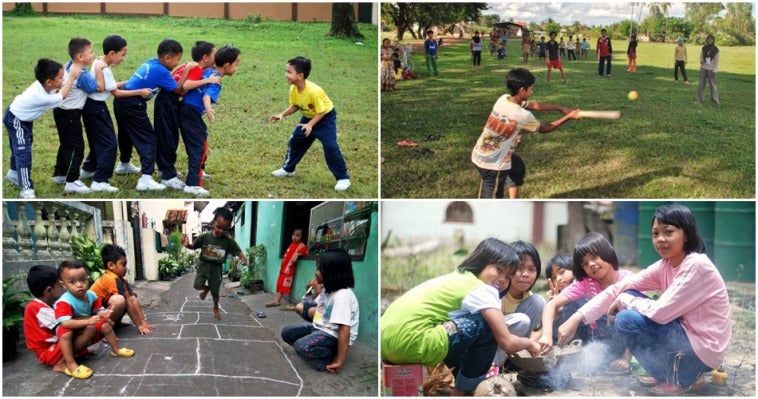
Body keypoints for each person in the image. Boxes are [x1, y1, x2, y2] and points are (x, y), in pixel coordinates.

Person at [557, 204, 731, 395]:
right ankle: (672, 374)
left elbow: (661, 312)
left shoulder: (696, 265)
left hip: (702, 350)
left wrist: (626, 299)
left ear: (687, 234)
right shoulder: (665, 265)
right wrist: (576, 318)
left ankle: (681, 378)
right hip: (687, 339)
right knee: (627, 299)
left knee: (626, 318)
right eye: (656, 233)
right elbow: (619, 288)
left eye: (669, 232)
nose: (661, 239)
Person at [381, 238, 540, 395]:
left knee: (464, 329)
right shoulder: (481, 289)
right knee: (487, 325)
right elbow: (507, 342)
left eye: (508, 276)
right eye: (499, 270)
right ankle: (465, 390)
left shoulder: (458, 278)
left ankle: (461, 380)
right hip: (410, 343)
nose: (503, 280)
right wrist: (530, 344)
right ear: (482, 262)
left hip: (385, 345)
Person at [471, 68, 580, 199]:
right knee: (492, 199)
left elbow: (535, 105)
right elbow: (545, 129)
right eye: (531, 88)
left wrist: (560, 108)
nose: (532, 91)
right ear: (522, 90)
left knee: (517, 167)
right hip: (493, 164)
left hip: (480, 151)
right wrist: (568, 117)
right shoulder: (522, 115)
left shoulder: (503, 99)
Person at [538, 233, 632, 373]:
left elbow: (637, 323)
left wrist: (625, 359)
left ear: (607, 253)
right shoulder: (586, 283)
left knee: (627, 316)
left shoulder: (629, 280)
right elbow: (550, 305)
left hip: (626, 342)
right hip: (599, 344)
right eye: (585, 264)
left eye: (594, 257)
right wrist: (546, 335)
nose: (591, 265)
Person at [113, 39, 195, 191]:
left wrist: (176, 71)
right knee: (149, 140)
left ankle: (124, 164)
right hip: (133, 104)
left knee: (126, 134)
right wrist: (186, 71)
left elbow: (165, 77)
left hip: (121, 100)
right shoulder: (161, 71)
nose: (178, 63)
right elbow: (177, 89)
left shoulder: (152, 62)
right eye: (177, 59)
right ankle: (146, 179)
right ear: (167, 58)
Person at [80, 34, 153, 193]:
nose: (124, 58)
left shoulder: (98, 62)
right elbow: (117, 93)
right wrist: (139, 91)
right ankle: (100, 180)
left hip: (91, 107)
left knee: (97, 141)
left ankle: (88, 169)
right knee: (109, 143)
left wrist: (129, 82)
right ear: (112, 53)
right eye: (123, 54)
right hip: (97, 108)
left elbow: (110, 86)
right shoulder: (104, 69)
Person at [268, 56, 351, 191]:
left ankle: (343, 178)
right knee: (296, 140)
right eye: (286, 71)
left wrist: (310, 125)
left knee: (330, 146)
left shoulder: (314, 91)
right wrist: (282, 114)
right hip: (308, 118)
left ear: (300, 75)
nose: (286, 75)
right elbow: (295, 105)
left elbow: (322, 112)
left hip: (325, 119)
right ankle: (288, 169)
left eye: (289, 72)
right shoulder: (294, 89)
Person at [4, 58, 81, 199]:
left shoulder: (45, 85)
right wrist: (71, 77)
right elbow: (62, 95)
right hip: (17, 120)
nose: (63, 79)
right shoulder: (41, 96)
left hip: (22, 117)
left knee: (21, 146)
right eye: (61, 77)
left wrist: (72, 62)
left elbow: (59, 82)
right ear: (49, 82)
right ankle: (26, 189)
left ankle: (13, 173)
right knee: (23, 152)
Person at [156, 41, 222, 192]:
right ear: (206, 57)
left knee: (171, 136)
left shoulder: (195, 66)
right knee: (168, 137)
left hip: (170, 101)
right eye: (214, 54)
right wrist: (208, 80)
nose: (216, 57)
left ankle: (166, 170)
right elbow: (185, 85)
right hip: (167, 101)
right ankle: (167, 175)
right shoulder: (197, 68)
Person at [281, 248, 359, 373]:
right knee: (287, 332)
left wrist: (340, 360)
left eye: (319, 269)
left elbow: (344, 331)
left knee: (301, 346)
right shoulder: (327, 289)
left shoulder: (342, 295)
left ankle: (327, 360)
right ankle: (319, 348)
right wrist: (311, 290)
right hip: (320, 327)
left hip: (333, 335)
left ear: (331, 273)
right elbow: (313, 307)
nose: (315, 272)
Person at [54, 260, 134, 379]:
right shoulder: (64, 301)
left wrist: (103, 313)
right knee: (65, 334)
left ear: (88, 279)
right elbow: (65, 323)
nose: (79, 285)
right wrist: (89, 321)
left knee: (106, 325)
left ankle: (116, 349)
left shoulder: (91, 295)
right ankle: (70, 363)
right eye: (72, 282)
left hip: (86, 323)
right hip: (70, 327)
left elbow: (98, 309)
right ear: (63, 284)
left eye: (83, 280)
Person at [180, 45, 241, 196]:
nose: (236, 68)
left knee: (200, 139)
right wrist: (208, 110)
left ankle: (198, 170)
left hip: (186, 111)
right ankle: (192, 184)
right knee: (199, 146)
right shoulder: (216, 80)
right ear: (227, 65)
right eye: (236, 65)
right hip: (190, 113)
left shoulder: (209, 71)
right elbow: (206, 96)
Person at [50, 38, 98, 195]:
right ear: (80, 57)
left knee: (65, 144)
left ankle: (60, 174)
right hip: (71, 114)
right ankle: (72, 180)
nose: (93, 55)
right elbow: (94, 88)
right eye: (90, 52)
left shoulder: (68, 65)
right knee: (76, 147)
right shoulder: (81, 74)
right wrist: (99, 69)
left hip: (60, 111)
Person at [182, 207, 247, 320]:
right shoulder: (204, 237)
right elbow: (194, 246)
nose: (221, 231)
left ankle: (215, 307)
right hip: (203, 264)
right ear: (213, 223)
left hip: (216, 268)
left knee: (215, 292)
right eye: (218, 227)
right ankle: (206, 289)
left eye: (224, 229)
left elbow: (237, 250)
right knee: (197, 285)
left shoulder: (228, 241)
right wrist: (187, 245)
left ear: (228, 228)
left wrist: (243, 258)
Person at [24, 265, 80, 374]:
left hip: (54, 346)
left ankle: (76, 353)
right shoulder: (36, 307)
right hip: (48, 353)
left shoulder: (51, 304)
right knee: (73, 329)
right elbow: (64, 325)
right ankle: (61, 363)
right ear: (49, 290)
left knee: (90, 326)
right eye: (60, 285)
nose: (64, 288)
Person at [90, 244, 155, 335]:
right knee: (119, 300)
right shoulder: (110, 278)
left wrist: (143, 321)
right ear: (111, 265)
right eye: (123, 265)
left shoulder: (121, 279)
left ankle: (116, 323)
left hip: (104, 308)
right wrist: (139, 325)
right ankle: (104, 331)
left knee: (132, 295)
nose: (126, 268)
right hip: (94, 314)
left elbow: (132, 299)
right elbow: (128, 302)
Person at [266, 227, 309, 307]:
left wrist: (298, 254)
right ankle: (276, 300)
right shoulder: (291, 244)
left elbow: (306, 252)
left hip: (289, 269)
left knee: (283, 285)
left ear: (302, 237)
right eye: (293, 235)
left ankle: (277, 301)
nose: (295, 237)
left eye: (298, 235)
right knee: (279, 283)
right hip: (283, 268)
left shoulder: (301, 245)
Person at [696, 34, 719, 105]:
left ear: (713, 40)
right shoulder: (704, 48)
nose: (709, 40)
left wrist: (715, 70)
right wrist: (701, 60)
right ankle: (699, 100)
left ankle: (715, 101)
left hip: (711, 70)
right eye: (708, 39)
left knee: (713, 86)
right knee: (701, 85)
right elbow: (701, 57)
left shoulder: (716, 50)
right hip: (703, 68)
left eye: (711, 39)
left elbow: (716, 61)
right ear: (707, 40)